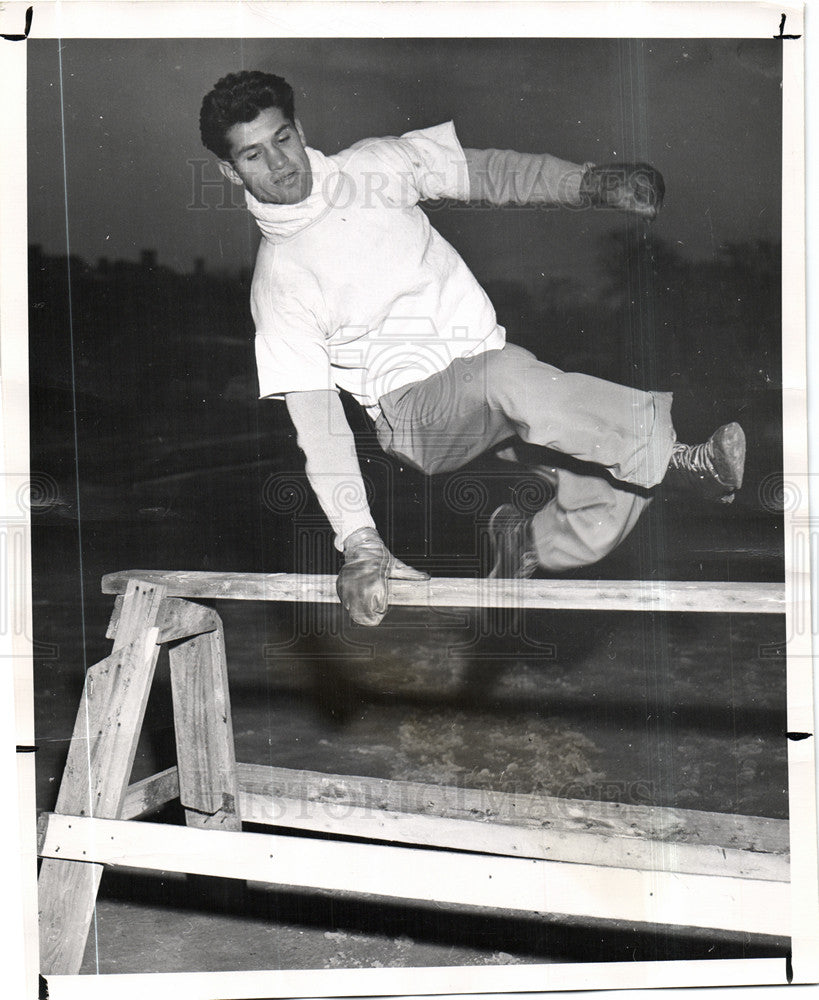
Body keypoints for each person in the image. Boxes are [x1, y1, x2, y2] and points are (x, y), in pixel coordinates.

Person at [199, 70, 746, 626]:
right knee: (517, 382)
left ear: (299, 127)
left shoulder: (374, 167)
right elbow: (318, 426)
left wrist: (587, 183)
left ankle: (529, 543)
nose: (280, 164)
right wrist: (359, 541)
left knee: (617, 483)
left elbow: (486, 172)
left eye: (283, 138)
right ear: (228, 170)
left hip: (488, 373)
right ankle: (681, 460)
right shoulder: (279, 284)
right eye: (253, 156)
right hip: (415, 416)